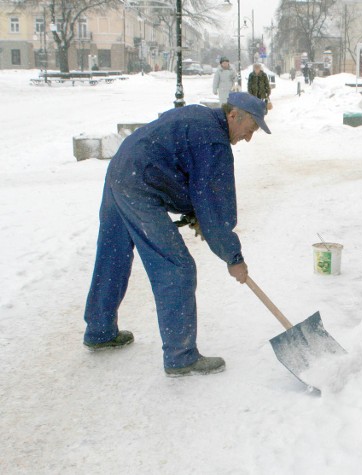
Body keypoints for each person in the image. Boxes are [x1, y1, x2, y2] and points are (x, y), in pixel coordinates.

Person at [82, 92, 271, 377]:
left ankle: (100, 330)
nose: (248, 137)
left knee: (113, 253)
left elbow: (183, 167)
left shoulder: (201, 118)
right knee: (177, 268)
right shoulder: (213, 142)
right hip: (139, 185)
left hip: (121, 171)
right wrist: (234, 257)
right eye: (251, 128)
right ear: (234, 116)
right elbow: (215, 205)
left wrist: (194, 211)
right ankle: (181, 356)